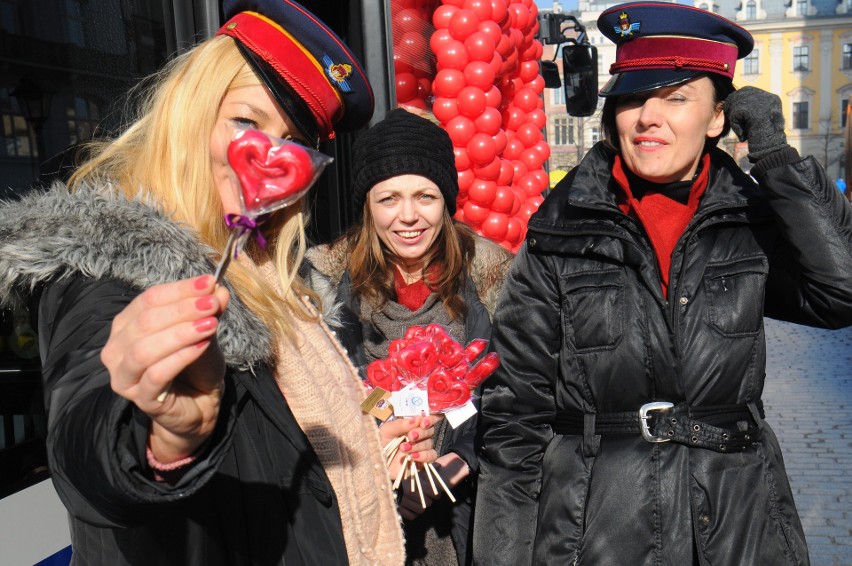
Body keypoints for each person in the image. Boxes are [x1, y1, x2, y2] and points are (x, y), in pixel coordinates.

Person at [0, 1, 440, 564]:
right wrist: (163, 440)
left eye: (293, 142)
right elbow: (88, 457)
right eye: (245, 122)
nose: (264, 155)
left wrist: (364, 454)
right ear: (192, 111)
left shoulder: (281, 279)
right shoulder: (109, 269)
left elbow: (282, 453)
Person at [473, 3, 852, 565]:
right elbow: (515, 419)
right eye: (631, 98)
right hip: (596, 532)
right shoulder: (559, 232)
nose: (649, 117)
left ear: (718, 118)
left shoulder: (746, 220)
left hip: (740, 526)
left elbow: (839, 293)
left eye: (676, 98)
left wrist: (774, 157)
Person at [303, 108, 514, 566]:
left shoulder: (496, 283)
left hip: (471, 517)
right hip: (363, 517)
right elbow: (325, 399)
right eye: (389, 199)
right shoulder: (321, 289)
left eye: (425, 196)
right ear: (367, 205)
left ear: (446, 202)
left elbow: (514, 406)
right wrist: (385, 435)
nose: (409, 216)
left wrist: (455, 463)